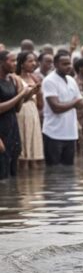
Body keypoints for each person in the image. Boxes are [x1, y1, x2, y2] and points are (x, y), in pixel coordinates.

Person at [42, 51, 83, 166]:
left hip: (70, 133)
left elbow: (81, 103)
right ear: (55, 64)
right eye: (64, 64)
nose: (68, 66)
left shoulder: (71, 80)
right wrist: (75, 102)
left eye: (69, 63)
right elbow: (55, 107)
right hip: (53, 133)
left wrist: (75, 102)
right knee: (53, 171)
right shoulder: (49, 81)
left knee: (69, 170)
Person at [0, 51, 30, 179]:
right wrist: (20, 95)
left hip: (12, 127)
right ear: (1, 62)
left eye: (16, 61)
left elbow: (17, 109)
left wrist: (26, 94)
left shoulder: (12, 80)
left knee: (12, 168)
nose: (15, 64)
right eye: (11, 61)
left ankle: (11, 197)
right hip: (1, 130)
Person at [15, 52, 44, 168]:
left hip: (33, 114)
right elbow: (17, 100)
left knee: (33, 153)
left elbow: (40, 104)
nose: (34, 64)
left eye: (35, 61)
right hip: (21, 113)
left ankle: (33, 183)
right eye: (30, 61)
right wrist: (31, 92)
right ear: (22, 63)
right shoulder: (15, 78)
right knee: (23, 154)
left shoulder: (34, 78)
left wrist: (39, 92)